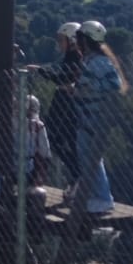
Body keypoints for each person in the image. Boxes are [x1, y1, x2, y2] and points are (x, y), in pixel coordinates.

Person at [73, 19, 128, 214]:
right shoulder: (91, 60)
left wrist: (86, 89)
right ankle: (96, 194)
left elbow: (113, 86)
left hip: (94, 117)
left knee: (92, 158)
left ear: (86, 40)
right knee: (88, 157)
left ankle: (103, 198)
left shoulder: (100, 62)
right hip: (86, 116)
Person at [45, 21, 83, 183]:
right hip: (62, 103)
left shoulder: (75, 59)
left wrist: (41, 71)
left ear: (72, 40)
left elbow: (64, 80)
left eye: (62, 40)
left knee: (64, 141)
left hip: (66, 106)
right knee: (60, 140)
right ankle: (75, 176)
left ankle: (76, 175)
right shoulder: (70, 58)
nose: (59, 44)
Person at [26, 93, 51, 185]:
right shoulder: (38, 125)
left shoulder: (10, 122)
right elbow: (45, 152)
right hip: (29, 169)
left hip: (10, 167)